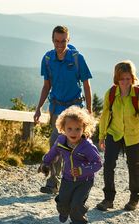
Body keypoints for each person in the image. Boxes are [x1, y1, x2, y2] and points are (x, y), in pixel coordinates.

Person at [34, 25, 93, 194]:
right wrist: (38, 108)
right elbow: (46, 86)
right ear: (52, 40)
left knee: (75, 146)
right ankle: (53, 182)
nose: (59, 44)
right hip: (56, 108)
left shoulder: (77, 58)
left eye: (63, 41)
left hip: (75, 109)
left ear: (69, 39)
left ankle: (77, 181)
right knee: (55, 144)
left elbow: (87, 85)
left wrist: (88, 110)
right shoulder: (47, 59)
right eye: (56, 41)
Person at [96, 60, 139, 212]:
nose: (124, 82)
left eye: (128, 78)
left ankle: (134, 198)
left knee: (134, 166)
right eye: (121, 79)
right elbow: (104, 116)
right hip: (113, 133)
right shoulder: (110, 94)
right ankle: (108, 199)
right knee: (109, 165)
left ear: (132, 78)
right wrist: (101, 136)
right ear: (116, 79)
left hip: (133, 135)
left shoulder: (137, 95)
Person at [38, 106, 102, 224]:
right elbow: (53, 152)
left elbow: (98, 163)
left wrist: (82, 170)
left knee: (77, 204)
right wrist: (46, 163)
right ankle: (63, 209)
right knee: (63, 201)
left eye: (78, 129)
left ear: (84, 129)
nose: (73, 132)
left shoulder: (87, 146)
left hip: (84, 181)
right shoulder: (61, 141)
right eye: (69, 129)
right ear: (63, 128)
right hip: (67, 179)